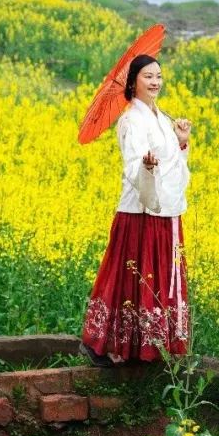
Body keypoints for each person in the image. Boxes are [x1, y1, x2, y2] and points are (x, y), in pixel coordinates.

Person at [80, 53, 192, 364]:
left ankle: (144, 347)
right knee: (125, 276)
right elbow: (132, 164)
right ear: (133, 82)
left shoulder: (162, 119)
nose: (156, 82)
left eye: (159, 75)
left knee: (153, 277)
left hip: (165, 211)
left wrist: (181, 142)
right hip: (138, 212)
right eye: (148, 76)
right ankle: (97, 343)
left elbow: (172, 165)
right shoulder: (131, 119)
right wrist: (145, 166)